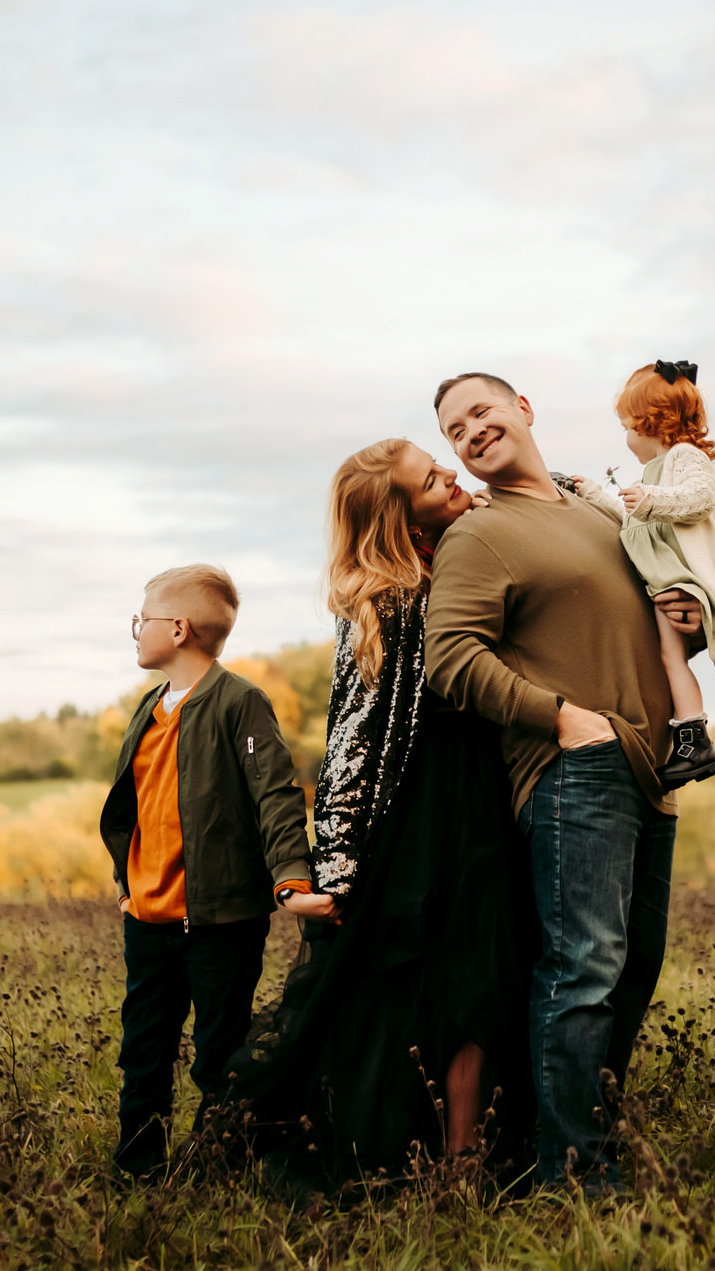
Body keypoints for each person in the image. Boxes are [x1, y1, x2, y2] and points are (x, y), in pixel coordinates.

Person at [226, 440, 537, 1189]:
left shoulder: (465, 552)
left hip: (486, 798)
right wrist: (331, 865)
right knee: (408, 984)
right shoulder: (388, 599)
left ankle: (466, 1160)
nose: (453, 477)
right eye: (433, 481)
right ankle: (412, 1153)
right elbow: (352, 742)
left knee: (482, 974)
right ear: (400, 517)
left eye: (443, 467)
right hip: (418, 816)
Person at [425, 372, 704, 1193]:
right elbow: (451, 659)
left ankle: (578, 1142)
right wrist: (560, 720)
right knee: (584, 968)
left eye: (481, 411)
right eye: (453, 430)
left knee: (634, 970)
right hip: (572, 769)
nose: (470, 432)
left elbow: (644, 614)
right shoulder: (482, 535)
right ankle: (576, 1176)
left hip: (652, 770)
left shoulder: (598, 514)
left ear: (523, 410)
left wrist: (684, 621)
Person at [97, 563, 334, 1180]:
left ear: (177, 630)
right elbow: (135, 808)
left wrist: (292, 880)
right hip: (149, 919)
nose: (134, 631)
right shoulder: (149, 709)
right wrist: (128, 887)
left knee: (218, 1054)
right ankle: (138, 1169)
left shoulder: (239, 703)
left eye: (141, 620)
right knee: (143, 1048)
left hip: (221, 921)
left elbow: (276, 794)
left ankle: (214, 1171)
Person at [570, 359, 715, 790]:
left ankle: (694, 739)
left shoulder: (685, 458)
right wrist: (594, 495)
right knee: (667, 659)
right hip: (666, 580)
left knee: (671, 658)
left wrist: (649, 497)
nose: (627, 437)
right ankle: (687, 738)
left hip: (681, 581)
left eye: (629, 426)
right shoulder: (656, 473)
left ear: (653, 423)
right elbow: (635, 521)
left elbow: (700, 497)